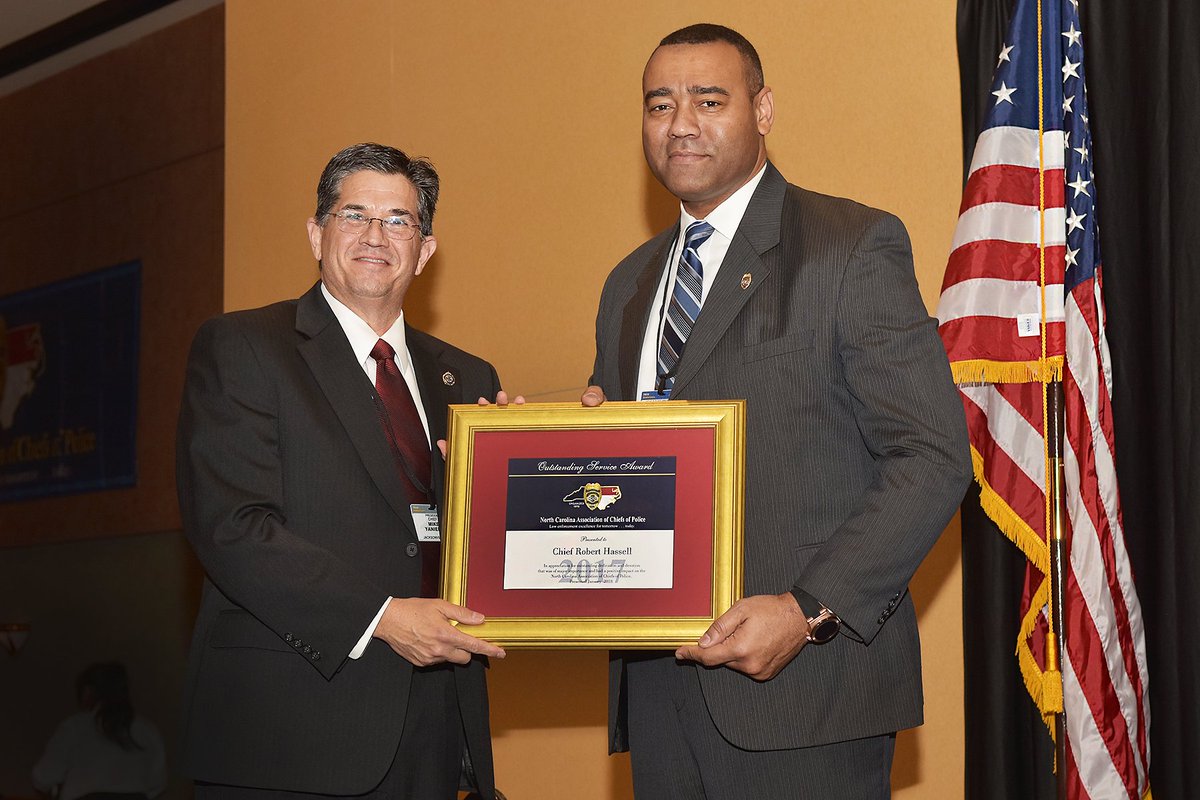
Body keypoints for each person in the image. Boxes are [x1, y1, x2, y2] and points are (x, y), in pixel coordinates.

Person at [583, 24, 972, 799]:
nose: (680, 123)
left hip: (806, 694)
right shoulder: (628, 284)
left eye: (709, 99)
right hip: (661, 696)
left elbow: (933, 456)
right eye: (659, 104)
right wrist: (541, 460)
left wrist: (806, 610)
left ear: (762, 110)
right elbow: (627, 476)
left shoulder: (850, 245)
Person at [176, 143, 507, 799]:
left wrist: (525, 472)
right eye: (354, 214)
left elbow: (476, 545)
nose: (375, 236)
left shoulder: (468, 379)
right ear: (316, 233)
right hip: (290, 734)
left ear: (425, 248)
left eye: (398, 220)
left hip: (437, 730)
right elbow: (233, 527)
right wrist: (383, 617)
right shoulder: (244, 346)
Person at [32, 662, 166, 800]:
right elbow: (157, 784)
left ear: (88, 691)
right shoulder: (148, 730)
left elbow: (44, 777)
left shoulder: (75, 727)